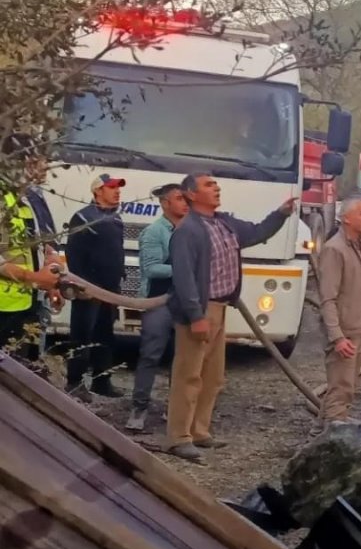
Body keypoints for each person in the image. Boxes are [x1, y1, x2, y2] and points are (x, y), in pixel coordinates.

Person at [166, 173, 295, 463]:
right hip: (200, 309)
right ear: (191, 194)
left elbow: (258, 232)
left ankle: (199, 431)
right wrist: (196, 315)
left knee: (212, 376)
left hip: (221, 307)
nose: (216, 188)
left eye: (216, 185)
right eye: (209, 185)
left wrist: (281, 215)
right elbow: (184, 278)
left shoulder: (224, 223)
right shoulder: (188, 231)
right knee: (189, 375)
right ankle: (178, 438)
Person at [126, 182, 188, 432]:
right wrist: (186, 270)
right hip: (158, 301)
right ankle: (138, 408)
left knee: (182, 358)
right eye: (179, 198)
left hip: (184, 302)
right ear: (165, 204)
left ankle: (174, 410)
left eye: (186, 198)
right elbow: (150, 268)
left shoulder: (190, 231)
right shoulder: (154, 232)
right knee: (150, 355)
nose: (185, 202)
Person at [0, 135, 64, 367]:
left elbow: (41, 243)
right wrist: (36, 278)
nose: (46, 166)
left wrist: (51, 277)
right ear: (23, 161)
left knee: (21, 373)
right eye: (40, 160)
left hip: (26, 304)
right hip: (3, 308)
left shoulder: (30, 197)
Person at [317, 196, 361, 426]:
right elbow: (327, 299)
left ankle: (320, 434)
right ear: (345, 218)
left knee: (346, 388)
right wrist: (338, 338)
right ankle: (331, 441)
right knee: (341, 389)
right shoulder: (335, 250)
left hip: (356, 331)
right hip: (344, 334)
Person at [65, 174, 126, 398]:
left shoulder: (116, 219)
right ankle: (74, 382)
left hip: (110, 290)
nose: (117, 191)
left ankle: (102, 381)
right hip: (88, 290)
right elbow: (74, 254)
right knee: (82, 335)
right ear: (98, 191)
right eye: (112, 187)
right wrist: (82, 286)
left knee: (105, 335)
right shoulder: (83, 217)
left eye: (118, 188)